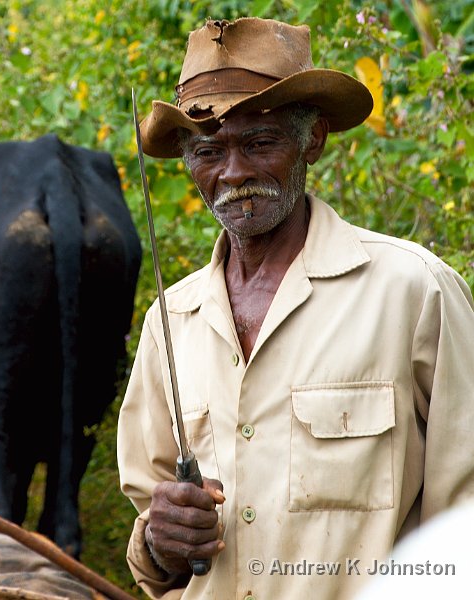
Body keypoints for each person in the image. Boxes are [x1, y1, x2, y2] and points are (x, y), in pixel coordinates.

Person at [117, 17, 474, 600]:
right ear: (187, 162)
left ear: (313, 140)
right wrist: (161, 541)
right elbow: (156, 550)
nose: (233, 173)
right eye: (208, 151)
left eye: (260, 143)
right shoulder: (171, 320)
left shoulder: (415, 292)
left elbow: (465, 527)